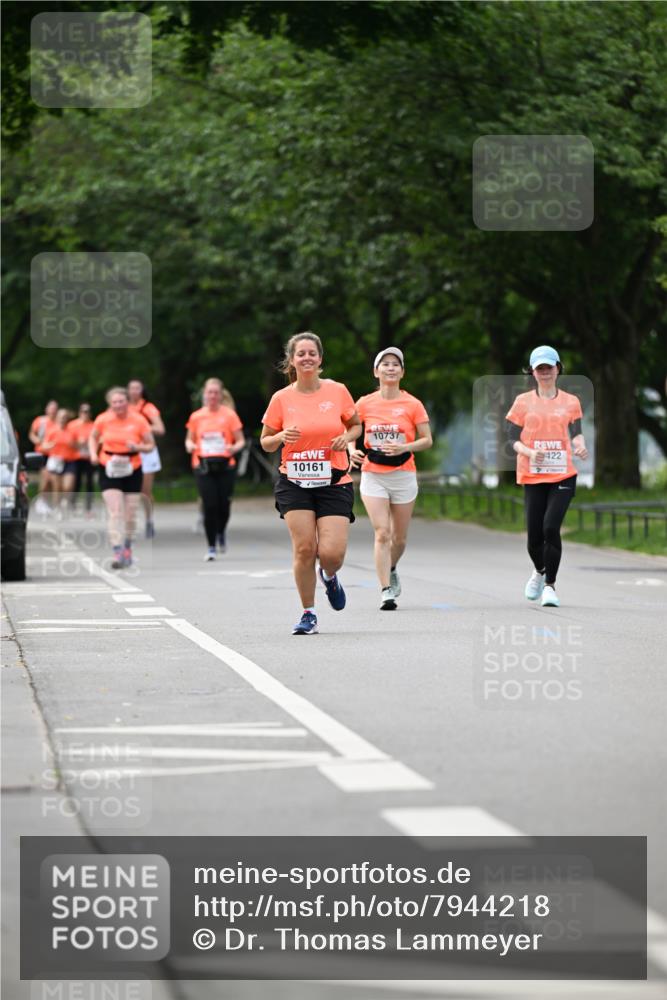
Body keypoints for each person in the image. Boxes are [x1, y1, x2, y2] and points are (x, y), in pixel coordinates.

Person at [261, 332, 361, 635]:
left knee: (331, 554)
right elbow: (265, 442)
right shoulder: (281, 398)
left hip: (333, 480)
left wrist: (347, 436)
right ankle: (308, 613)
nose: (306, 358)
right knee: (304, 549)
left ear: (320, 359)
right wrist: (279, 437)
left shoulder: (338, 391)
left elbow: (355, 425)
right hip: (294, 482)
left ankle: (329, 576)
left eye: (311, 353)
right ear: (291, 360)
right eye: (300, 353)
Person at [349, 347, 432, 610]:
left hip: (403, 475)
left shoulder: (412, 404)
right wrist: (352, 451)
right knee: (382, 533)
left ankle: (392, 566)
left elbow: (427, 440)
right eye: (385, 364)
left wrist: (404, 447)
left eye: (396, 364)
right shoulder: (364, 403)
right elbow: (349, 429)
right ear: (376, 372)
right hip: (373, 474)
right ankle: (386, 590)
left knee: (399, 539)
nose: (391, 368)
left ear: (402, 372)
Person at [506, 345, 589, 608]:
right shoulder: (522, 402)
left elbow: (576, 431)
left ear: (558, 369)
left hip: (563, 474)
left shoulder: (571, 401)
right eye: (539, 368)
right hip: (532, 474)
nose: (544, 372)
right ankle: (539, 571)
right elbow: (510, 438)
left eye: (549, 367)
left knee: (551, 527)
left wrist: (579, 444)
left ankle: (550, 586)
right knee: (533, 538)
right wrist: (529, 452)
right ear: (532, 372)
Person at [89, 387, 155, 569]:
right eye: (114, 402)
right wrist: (93, 454)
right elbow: (92, 438)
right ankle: (118, 552)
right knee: (115, 511)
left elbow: (150, 445)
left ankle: (127, 548)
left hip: (132, 467)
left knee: (130, 514)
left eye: (121, 401)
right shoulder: (103, 419)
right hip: (109, 466)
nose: (118, 405)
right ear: (110, 404)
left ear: (127, 402)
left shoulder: (139, 420)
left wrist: (138, 447)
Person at [185, 378, 245, 561]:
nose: (212, 396)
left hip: (226, 465)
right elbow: (189, 439)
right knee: (209, 505)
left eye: (216, 392)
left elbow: (240, 440)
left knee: (224, 504)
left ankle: (221, 532)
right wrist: (189, 445)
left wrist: (234, 448)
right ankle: (211, 546)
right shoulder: (196, 416)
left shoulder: (229, 415)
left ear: (221, 395)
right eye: (209, 392)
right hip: (203, 465)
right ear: (204, 394)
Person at [127, 379, 165, 539]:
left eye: (138, 388)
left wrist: (142, 427)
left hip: (146, 452)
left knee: (144, 491)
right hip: (128, 452)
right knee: (128, 491)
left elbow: (160, 429)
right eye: (132, 388)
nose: (135, 391)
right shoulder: (123, 407)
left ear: (142, 390)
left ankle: (149, 520)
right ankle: (129, 523)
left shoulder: (148, 408)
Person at [40, 408, 78, 507]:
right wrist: (49, 446)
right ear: (57, 417)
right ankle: (56, 508)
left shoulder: (72, 430)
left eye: (65, 417)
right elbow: (44, 445)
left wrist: (74, 444)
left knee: (67, 486)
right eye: (61, 417)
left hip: (69, 461)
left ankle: (65, 502)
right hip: (55, 461)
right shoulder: (52, 430)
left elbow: (78, 446)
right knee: (57, 487)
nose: (63, 419)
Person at [29, 400, 58, 514]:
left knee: (52, 480)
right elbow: (32, 434)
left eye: (55, 409)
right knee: (45, 477)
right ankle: (41, 501)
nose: (53, 411)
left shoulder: (59, 421)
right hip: (43, 454)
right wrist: (39, 443)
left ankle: (46, 502)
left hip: (55, 455)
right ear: (46, 409)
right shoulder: (40, 421)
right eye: (51, 409)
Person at [69, 403, 95, 512]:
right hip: (76, 457)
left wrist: (90, 444)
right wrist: (78, 444)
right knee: (76, 481)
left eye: (88, 411)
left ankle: (88, 506)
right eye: (84, 411)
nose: (86, 414)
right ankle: (73, 503)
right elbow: (68, 441)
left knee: (89, 482)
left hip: (89, 457)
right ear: (79, 412)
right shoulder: (72, 425)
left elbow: (98, 439)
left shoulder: (93, 425)